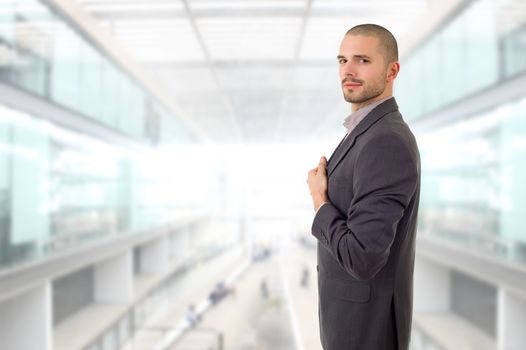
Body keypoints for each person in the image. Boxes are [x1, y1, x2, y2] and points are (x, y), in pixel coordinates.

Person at [306, 24, 420, 350]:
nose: (348, 70)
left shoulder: (385, 141)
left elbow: (363, 257)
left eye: (362, 60)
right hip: (352, 326)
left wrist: (319, 200)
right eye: (342, 60)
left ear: (392, 70)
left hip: (365, 334)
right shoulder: (367, 131)